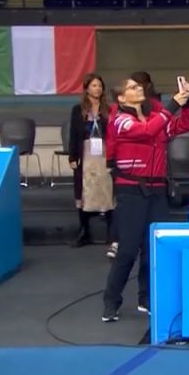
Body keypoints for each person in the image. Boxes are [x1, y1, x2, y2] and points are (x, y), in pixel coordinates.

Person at [102, 74, 189, 321]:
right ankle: (111, 301)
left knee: (151, 247)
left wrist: (186, 103)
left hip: (157, 190)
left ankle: (146, 298)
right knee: (128, 249)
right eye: (132, 87)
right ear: (121, 98)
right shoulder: (120, 121)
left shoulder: (154, 118)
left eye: (139, 86)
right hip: (131, 190)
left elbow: (183, 126)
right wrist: (172, 105)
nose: (138, 88)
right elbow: (147, 131)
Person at [67, 73, 115, 249]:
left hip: (104, 153)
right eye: (94, 85)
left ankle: (112, 233)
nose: (97, 89)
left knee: (107, 189)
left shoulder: (109, 109)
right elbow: (73, 134)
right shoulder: (78, 109)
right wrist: (72, 156)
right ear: (87, 88)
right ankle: (84, 231)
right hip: (86, 154)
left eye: (100, 86)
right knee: (84, 192)